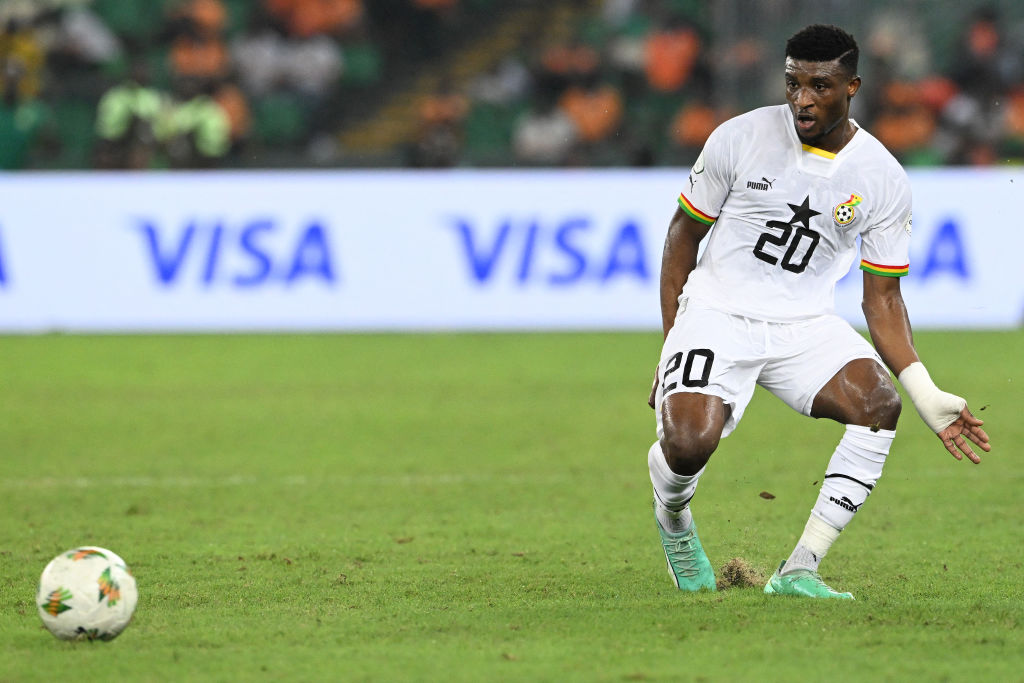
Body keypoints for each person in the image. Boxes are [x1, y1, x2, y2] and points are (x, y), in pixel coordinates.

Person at [646, 24, 991, 599]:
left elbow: (881, 299)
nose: (802, 99)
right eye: (793, 83)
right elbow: (681, 239)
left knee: (878, 403)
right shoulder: (739, 137)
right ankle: (675, 522)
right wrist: (673, 343)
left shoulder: (881, 177)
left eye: (820, 85)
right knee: (687, 444)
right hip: (717, 312)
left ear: (852, 86)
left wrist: (925, 392)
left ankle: (800, 568)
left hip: (804, 324)